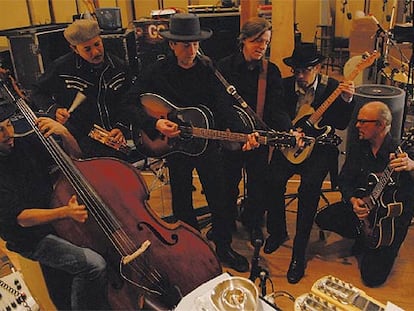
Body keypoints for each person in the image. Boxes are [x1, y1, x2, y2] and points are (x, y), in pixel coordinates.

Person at [134, 13, 257, 272]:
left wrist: (242, 132)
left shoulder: (208, 68)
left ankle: (223, 246)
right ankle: (190, 248)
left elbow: (224, 105)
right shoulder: (156, 71)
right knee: (181, 200)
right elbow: (130, 104)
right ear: (172, 45)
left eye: (195, 44)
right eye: (186, 44)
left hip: (207, 145)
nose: (192, 50)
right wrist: (155, 124)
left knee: (220, 198)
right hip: (175, 146)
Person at [0, 103, 110, 310]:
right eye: (0, 130)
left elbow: (76, 160)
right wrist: (65, 212)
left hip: (57, 221)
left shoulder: (23, 145)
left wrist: (64, 133)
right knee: (94, 265)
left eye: (8, 125)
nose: (8, 134)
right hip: (31, 238)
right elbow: (22, 218)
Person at [265, 42, 355, 284]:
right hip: (291, 143)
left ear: (318, 68)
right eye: (297, 70)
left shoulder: (333, 88)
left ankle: (298, 252)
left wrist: (347, 101)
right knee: (272, 180)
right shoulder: (284, 85)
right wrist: (290, 130)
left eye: (306, 70)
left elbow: (342, 124)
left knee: (309, 189)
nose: (300, 76)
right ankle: (277, 231)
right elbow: (275, 111)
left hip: (320, 149)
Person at [315, 101, 414, 287]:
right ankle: (362, 235)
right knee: (323, 218)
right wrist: (353, 201)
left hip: (388, 221)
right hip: (364, 206)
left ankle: (376, 245)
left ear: (381, 125)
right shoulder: (359, 147)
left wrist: (412, 166)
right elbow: (344, 180)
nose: (357, 125)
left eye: (363, 121)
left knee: (372, 279)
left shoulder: (402, 153)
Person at [217, 17, 292, 246]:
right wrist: (239, 132)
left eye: (266, 42)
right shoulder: (224, 67)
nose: (262, 47)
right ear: (243, 41)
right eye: (257, 41)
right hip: (231, 136)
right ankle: (226, 223)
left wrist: (289, 130)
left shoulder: (271, 71)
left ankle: (253, 224)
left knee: (258, 184)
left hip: (259, 139)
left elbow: (276, 108)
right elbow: (220, 105)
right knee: (228, 182)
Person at [30, 19, 137, 159]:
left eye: (97, 44)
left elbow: (129, 101)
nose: (96, 52)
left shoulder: (119, 67)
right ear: (74, 49)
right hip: (78, 139)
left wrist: (121, 127)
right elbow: (37, 91)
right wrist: (54, 109)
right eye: (87, 49)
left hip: (113, 137)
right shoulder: (61, 68)